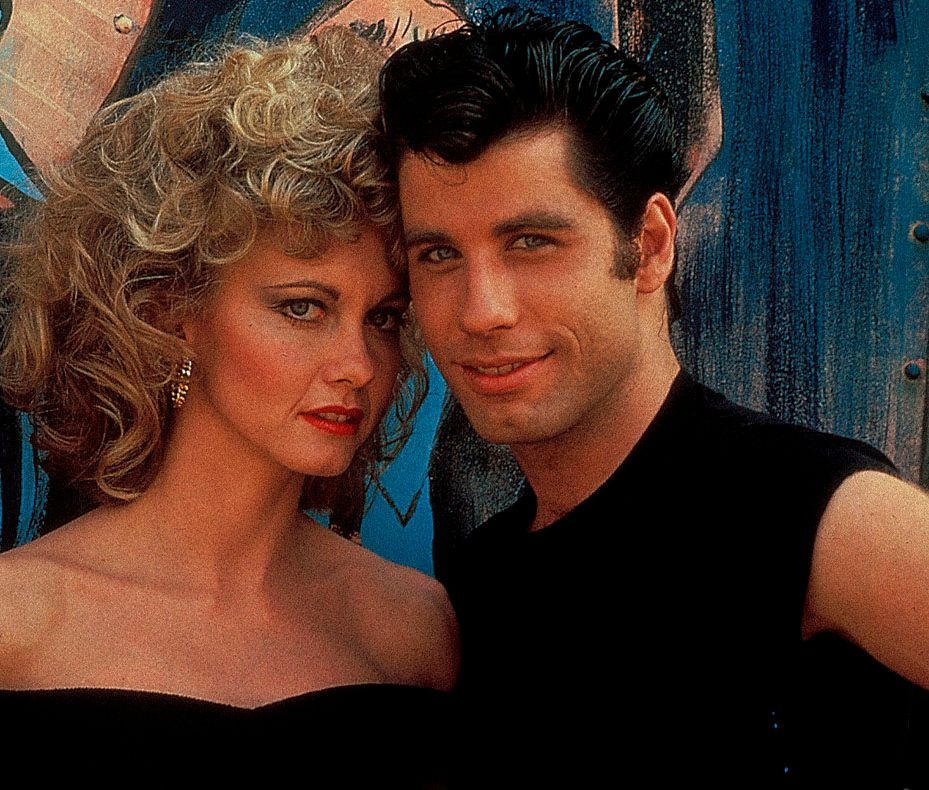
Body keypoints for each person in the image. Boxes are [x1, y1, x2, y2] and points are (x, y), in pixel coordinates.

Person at [379, 8, 929, 787]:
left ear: (649, 245)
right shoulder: (483, 578)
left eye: (531, 242)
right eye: (438, 254)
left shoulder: (805, 508)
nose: (481, 311)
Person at [0, 29, 458, 777]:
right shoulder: (16, 624)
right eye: (303, 308)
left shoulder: (413, 630)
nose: (357, 366)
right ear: (171, 311)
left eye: (382, 318)